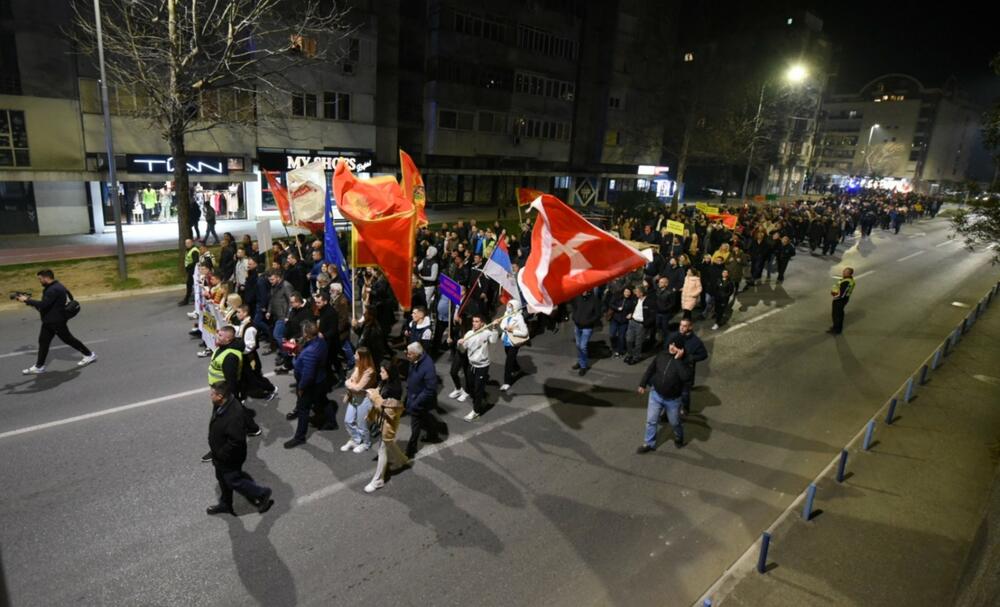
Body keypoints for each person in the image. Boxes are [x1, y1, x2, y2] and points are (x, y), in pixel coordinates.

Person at [205, 381, 274, 516]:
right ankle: (225, 504)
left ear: (220, 396)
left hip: (229, 457)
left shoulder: (234, 415)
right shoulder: (221, 404)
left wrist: (221, 454)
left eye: (212, 394)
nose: (210, 396)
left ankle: (262, 493)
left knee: (233, 480)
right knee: (222, 478)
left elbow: (236, 441)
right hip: (219, 453)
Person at [17, 269, 97, 375]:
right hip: (49, 321)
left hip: (56, 321)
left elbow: (43, 305)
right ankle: (39, 367)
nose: (39, 281)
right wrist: (29, 301)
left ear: (46, 278)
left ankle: (89, 355)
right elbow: (51, 303)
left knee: (68, 339)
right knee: (43, 342)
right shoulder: (57, 286)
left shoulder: (53, 289)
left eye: (40, 279)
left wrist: (26, 300)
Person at [636, 334, 693, 453]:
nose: (672, 347)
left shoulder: (685, 361)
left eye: (675, 346)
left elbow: (686, 378)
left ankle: (679, 437)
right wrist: (643, 384)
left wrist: (677, 360)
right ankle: (649, 443)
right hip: (655, 395)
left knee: (674, 422)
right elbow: (651, 369)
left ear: (681, 349)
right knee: (651, 421)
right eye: (671, 344)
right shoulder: (662, 355)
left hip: (673, 400)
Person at [283, 321, 333, 448]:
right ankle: (331, 421)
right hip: (321, 379)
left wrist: (301, 387)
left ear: (306, 334)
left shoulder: (310, 351)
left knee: (303, 409)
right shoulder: (321, 341)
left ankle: (300, 437)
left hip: (311, 384)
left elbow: (308, 374)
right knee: (323, 400)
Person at [363, 360, 411, 493]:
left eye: (382, 371)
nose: (380, 373)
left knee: (382, 449)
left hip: (389, 423)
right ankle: (402, 460)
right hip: (383, 420)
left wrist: (374, 397)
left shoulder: (395, 389)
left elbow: (389, 411)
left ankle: (378, 480)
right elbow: (379, 394)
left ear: (389, 373)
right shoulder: (385, 382)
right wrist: (373, 392)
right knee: (388, 443)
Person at [458, 314, 499, 421]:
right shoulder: (469, 334)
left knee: (478, 389)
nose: (474, 323)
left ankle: (476, 412)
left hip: (482, 366)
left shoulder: (486, 333)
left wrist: (494, 328)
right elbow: (462, 349)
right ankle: (482, 398)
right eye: (473, 321)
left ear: (482, 323)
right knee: (471, 386)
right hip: (471, 365)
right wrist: (460, 344)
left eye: (477, 321)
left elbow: (494, 340)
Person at [404, 342, 441, 458]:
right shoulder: (416, 360)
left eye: (409, 354)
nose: (407, 356)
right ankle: (433, 434)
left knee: (415, 424)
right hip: (414, 396)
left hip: (420, 400)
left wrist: (416, 402)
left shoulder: (428, 367)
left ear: (416, 354)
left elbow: (430, 389)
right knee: (424, 417)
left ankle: (411, 448)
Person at [669, 318, 709, 417]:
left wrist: (690, 358)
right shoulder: (675, 336)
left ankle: (685, 408)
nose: (681, 328)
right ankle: (667, 412)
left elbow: (704, 355)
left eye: (684, 326)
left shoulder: (696, 342)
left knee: (685, 393)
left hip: (686, 370)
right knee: (671, 391)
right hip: (674, 368)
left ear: (690, 327)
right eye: (681, 325)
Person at [341, 347, 377, 453]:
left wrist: (347, 383)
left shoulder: (369, 371)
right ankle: (356, 439)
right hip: (354, 397)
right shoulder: (358, 366)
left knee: (362, 424)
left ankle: (366, 443)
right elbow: (352, 382)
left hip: (364, 399)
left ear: (363, 357)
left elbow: (358, 387)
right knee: (348, 421)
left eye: (356, 354)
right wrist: (351, 383)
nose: (354, 356)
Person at [499, 300, 529, 392]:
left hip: (514, 342)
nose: (508, 307)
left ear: (515, 307)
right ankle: (517, 368)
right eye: (508, 305)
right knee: (511, 357)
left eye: (510, 306)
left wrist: (513, 331)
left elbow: (525, 332)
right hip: (506, 341)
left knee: (508, 363)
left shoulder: (519, 317)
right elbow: (502, 324)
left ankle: (507, 382)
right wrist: (505, 327)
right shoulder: (506, 313)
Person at [571, 289, 601, 376]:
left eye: (586, 290)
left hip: (587, 328)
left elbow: (597, 314)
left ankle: (583, 366)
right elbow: (574, 308)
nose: (583, 291)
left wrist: (589, 322)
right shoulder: (577, 297)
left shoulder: (594, 300)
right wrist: (574, 317)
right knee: (578, 345)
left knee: (583, 346)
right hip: (577, 326)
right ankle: (580, 362)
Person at [625, 285, 654, 365]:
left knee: (638, 343)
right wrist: (631, 314)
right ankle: (630, 354)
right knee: (629, 340)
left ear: (641, 293)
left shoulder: (649, 302)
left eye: (637, 292)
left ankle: (636, 357)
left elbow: (652, 315)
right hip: (632, 322)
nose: (635, 293)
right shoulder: (635, 299)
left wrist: (645, 323)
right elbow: (632, 308)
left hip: (641, 325)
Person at [828, 267, 855, 335]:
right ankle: (836, 327)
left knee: (837, 315)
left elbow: (843, 293)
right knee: (838, 314)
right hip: (841, 299)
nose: (843, 272)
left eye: (845, 272)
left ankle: (837, 329)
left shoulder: (847, 281)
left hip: (840, 300)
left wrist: (836, 296)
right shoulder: (847, 279)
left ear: (848, 273)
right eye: (843, 271)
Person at [179, 238, 200, 306]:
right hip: (190, 271)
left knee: (189, 284)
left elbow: (196, 261)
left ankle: (187, 300)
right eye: (186, 243)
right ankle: (190, 298)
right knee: (191, 285)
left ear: (192, 243)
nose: (187, 244)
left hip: (193, 271)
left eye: (188, 243)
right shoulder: (189, 250)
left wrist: (188, 266)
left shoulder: (194, 251)